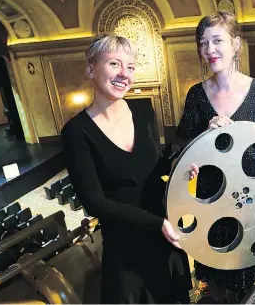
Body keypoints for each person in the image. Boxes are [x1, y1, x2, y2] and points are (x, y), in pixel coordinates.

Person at [61, 34, 193, 303]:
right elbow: (94, 202)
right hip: (125, 248)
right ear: (90, 69)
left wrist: (182, 162)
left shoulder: (144, 110)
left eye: (130, 67)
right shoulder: (76, 132)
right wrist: (158, 225)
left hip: (166, 240)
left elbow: (157, 165)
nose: (124, 74)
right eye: (114, 64)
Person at [176, 11, 255, 303]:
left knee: (251, 270)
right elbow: (183, 148)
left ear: (236, 43)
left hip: (251, 197)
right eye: (203, 43)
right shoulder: (196, 95)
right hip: (212, 198)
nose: (209, 50)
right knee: (217, 273)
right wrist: (205, 135)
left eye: (217, 40)